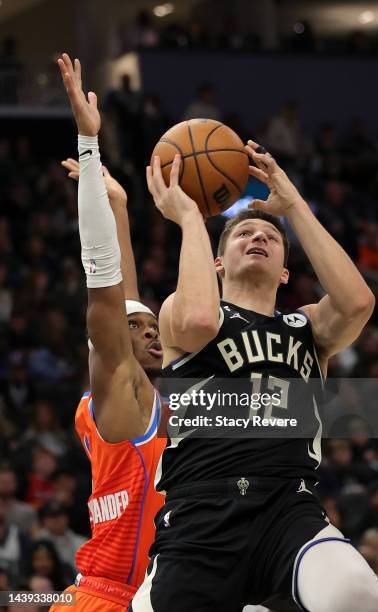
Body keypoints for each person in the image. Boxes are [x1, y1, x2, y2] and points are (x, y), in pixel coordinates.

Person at [131, 145, 378, 611]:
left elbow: (359, 303)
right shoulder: (184, 311)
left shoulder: (307, 327)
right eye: (243, 234)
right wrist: (192, 219)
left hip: (287, 506)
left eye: (269, 238)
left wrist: (292, 204)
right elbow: (198, 320)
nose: (257, 237)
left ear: (285, 272)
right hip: (201, 512)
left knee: (358, 597)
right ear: (216, 263)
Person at [51, 53, 165, 612]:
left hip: (150, 593)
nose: (154, 335)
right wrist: (89, 150)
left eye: (154, 328)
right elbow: (104, 284)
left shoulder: (138, 385)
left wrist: (120, 209)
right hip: (108, 598)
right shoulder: (124, 386)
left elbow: (127, 299)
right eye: (139, 331)